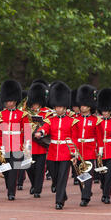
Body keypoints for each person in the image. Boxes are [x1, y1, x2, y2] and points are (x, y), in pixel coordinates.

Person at [35, 81, 79, 210]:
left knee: (62, 178)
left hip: (65, 153)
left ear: (65, 107)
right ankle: (62, 194)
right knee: (55, 177)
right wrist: (40, 132)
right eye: (56, 107)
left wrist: (74, 153)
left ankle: (59, 201)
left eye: (60, 107)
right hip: (53, 152)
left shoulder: (72, 121)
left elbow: (74, 139)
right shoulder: (50, 120)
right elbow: (45, 128)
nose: (58, 109)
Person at [0, 80, 30, 201]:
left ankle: (11, 192)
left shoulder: (22, 114)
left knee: (14, 170)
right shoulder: (0, 115)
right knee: (6, 170)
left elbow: (26, 131)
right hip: (4, 146)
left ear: (15, 101)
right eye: (7, 101)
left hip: (17, 146)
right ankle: (9, 187)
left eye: (10, 101)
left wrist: (27, 147)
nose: (8, 103)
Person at [75, 84, 100, 206]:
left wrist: (98, 149)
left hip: (89, 149)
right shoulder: (76, 119)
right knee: (80, 174)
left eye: (84, 105)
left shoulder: (95, 120)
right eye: (81, 105)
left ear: (89, 106)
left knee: (88, 173)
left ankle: (85, 197)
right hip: (78, 149)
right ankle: (85, 192)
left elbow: (98, 136)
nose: (82, 107)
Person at [25, 82, 50, 198]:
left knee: (40, 169)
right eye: (33, 103)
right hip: (30, 145)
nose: (35, 106)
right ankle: (34, 184)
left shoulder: (47, 113)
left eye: (37, 103)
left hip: (41, 145)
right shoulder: (26, 113)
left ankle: (37, 189)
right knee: (29, 167)